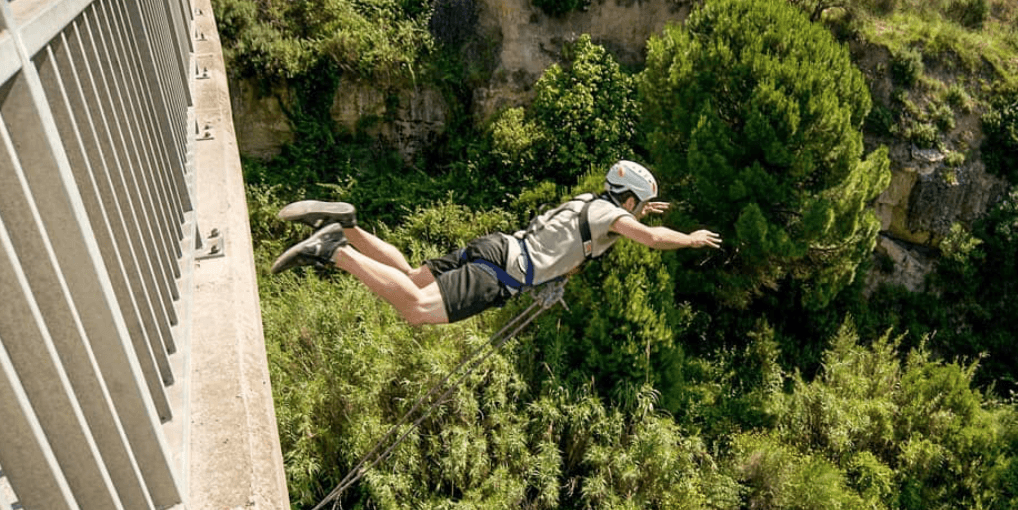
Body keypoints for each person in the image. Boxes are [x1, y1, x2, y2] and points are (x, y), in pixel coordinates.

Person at [270, 160, 722, 325]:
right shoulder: (614, 216)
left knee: (410, 277)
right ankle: (334, 250)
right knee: (416, 308)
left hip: (496, 247)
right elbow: (650, 237)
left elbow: (589, 238)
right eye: (639, 206)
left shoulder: (589, 202)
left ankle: (348, 225)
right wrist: (690, 239)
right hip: (500, 274)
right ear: (628, 201)